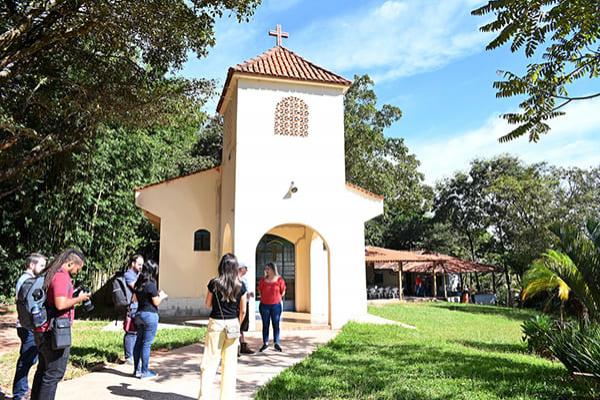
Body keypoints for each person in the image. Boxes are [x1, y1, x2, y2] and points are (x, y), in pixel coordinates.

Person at [31, 248, 90, 400]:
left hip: (44, 329)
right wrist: (80, 298)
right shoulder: (61, 276)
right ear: (71, 263)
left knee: (44, 370)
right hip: (54, 332)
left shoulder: (51, 273)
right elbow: (60, 304)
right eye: (79, 267)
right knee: (53, 374)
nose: (78, 271)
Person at [199, 253, 247, 400]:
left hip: (216, 323)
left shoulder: (214, 283)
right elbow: (243, 310)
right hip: (233, 324)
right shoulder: (241, 285)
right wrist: (237, 323)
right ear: (235, 267)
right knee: (230, 365)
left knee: (209, 362)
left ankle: (204, 397)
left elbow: (207, 304)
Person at [12, 253, 47, 400]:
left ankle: (23, 388)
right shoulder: (27, 281)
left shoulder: (27, 279)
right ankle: (20, 393)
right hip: (27, 327)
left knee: (30, 358)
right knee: (26, 359)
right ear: (32, 265)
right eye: (41, 265)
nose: (44, 268)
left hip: (26, 326)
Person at [132, 260, 167, 379]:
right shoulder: (151, 285)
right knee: (146, 344)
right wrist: (161, 296)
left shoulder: (138, 284)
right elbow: (156, 302)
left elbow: (134, 299)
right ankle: (145, 372)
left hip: (139, 315)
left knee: (138, 342)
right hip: (150, 316)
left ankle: (136, 370)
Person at [258, 262, 286, 352]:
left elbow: (283, 291)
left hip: (276, 306)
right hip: (264, 306)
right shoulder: (262, 280)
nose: (266, 271)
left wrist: (276, 298)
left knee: (276, 324)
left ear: (273, 269)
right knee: (265, 325)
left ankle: (276, 343)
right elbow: (260, 291)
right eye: (265, 269)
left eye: (268, 269)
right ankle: (265, 343)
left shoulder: (280, 280)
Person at [123, 254, 143, 365]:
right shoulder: (128, 275)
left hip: (138, 305)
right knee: (130, 331)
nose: (141, 267)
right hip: (132, 306)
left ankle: (133, 354)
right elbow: (135, 287)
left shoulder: (138, 274)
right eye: (139, 264)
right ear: (133, 263)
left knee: (136, 331)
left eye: (142, 265)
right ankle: (129, 356)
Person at [237, 261, 254, 355]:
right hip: (238, 306)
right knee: (238, 325)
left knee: (242, 326)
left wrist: (249, 294)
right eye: (245, 268)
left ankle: (242, 344)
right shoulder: (236, 280)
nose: (247, 270)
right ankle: (238, 346)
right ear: (240, 269)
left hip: (245, 303)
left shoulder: (245, 280)